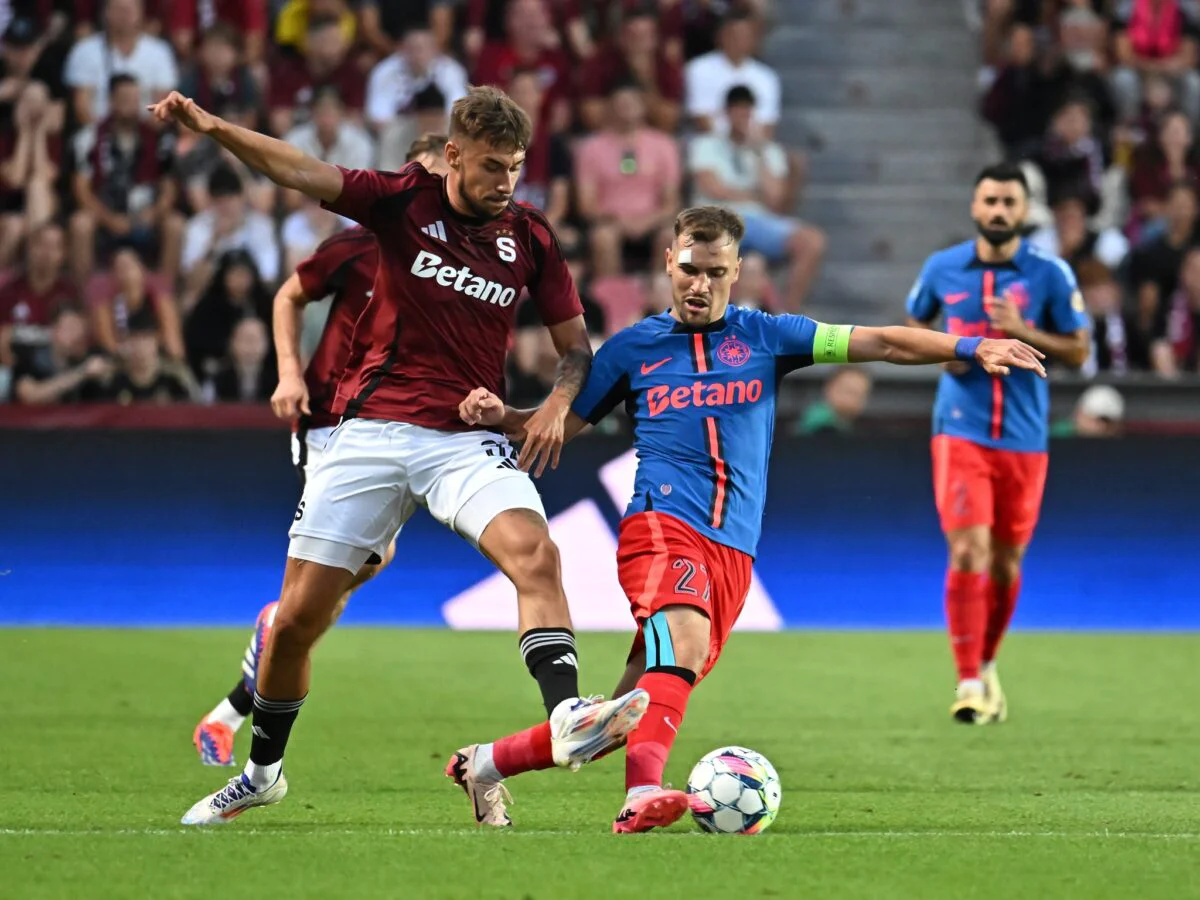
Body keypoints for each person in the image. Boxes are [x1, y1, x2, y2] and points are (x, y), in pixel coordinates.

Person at [454, 205, 1045, 832]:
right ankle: (643, 794)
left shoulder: (769, 336)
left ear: (737, 271)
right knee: (680, 641)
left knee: (620, 718)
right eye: (688, 269)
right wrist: (503, 416)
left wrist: (972, 344)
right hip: (660, 527)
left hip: (732, 552)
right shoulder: (632, 349)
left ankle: (484, 764)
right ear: (668, 264)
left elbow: (882, 340)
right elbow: (555, 427)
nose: (698, 284)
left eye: (714, 271)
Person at [149, 86, 649, 826]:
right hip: (368, 436)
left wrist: (549, 406)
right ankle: (261, 773)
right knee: (294, 624)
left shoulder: (531, 236)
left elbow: (577, 350)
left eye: (514, 167)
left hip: (465, 442)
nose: (504, 182)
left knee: (535, 555)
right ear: (451, 155)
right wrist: (213, 126)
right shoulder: (399, 203)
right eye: (489, 166)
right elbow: (300, 170)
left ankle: (568, 711)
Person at [192, 134, 451, 767]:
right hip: (335, 419)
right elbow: (288, 295)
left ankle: (232, 704)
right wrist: (286, 372)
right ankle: (264, 668)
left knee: (343, 583)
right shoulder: (363, 241)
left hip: (400, 424)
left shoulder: (458, 258)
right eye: (444, 170)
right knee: (353, 565)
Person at [905, 162, 1090, 725]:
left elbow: (1080, 351)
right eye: (990, 201)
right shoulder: (942, 268)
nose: (999, 211)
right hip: (959, 429)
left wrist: (1021, 330)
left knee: (1007, 563)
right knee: (968, 551)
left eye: (1010, 202)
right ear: (974, 206)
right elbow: (914, 329)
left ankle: (986, 666)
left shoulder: (1050, 274)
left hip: (1024, 437)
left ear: (1024, 209)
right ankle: (965, 680)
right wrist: (958, 347)